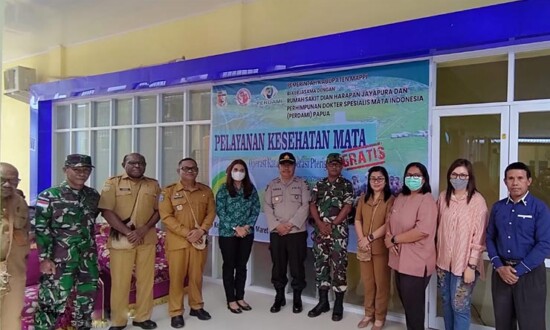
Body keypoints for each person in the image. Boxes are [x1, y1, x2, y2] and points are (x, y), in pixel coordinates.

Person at [34, 154, 100, 330]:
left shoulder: (93, 195)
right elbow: (41, 229)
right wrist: (44, 258)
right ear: (65, 170)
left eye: (86, 170)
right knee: (51, 302)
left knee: (86, 300)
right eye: (77, 169)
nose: (82, 173)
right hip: (59, 259)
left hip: (87, 258)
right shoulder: (48, 196)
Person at [98, 153, 161, 330]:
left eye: (141, 163)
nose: (137, 165)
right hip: (121, 240)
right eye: (132, 162)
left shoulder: (153, 184)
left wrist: (143, 229)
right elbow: (106, 211)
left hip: (146, 239)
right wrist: (127, 232)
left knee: (145, 281)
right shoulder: (113, 183)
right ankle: (119, 321)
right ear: (123, 164)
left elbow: (158, 211)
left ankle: (142, 317)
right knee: (120, 282)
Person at [486, 162, 550, 330]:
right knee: (503, 324)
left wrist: (517, 271)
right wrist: (499, 267)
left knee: (532, 325)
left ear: (529, 181)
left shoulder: (540, 208)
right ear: (505, 181)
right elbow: (490, 237)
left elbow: (544, 244)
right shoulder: (498, 208)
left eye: (520, 178)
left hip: (530, 275)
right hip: (501, 274)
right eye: (511, 178)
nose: (515, 182)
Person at [159, 157, 215, 329]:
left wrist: (202, 230)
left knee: (197, 277)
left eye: (193, 169)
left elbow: (211, 213)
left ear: (197, 171)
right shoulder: (167, 192)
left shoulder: (206, 191)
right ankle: (176, 312)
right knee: (176, 278)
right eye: (186, 168)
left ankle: (196, 306)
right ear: (179, 171)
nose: (190, 171)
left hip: (199, 241)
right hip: (178, 243)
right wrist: (187, 233)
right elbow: (166, 217)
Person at [436, 159, 488, 330]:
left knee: (460, 306)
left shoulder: (477, 201)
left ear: (470, 177)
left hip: (465, 264)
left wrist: (471, 266)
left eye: (463, 175)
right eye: (454, 174)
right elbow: (437, 226)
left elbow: (479, 236)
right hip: (443, 263)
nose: (458, 178)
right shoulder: (443, 197)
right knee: (446, 303)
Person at [384, 162, 437, 330]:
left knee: (414, 308)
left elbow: (422, 230)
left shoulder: (427, 200)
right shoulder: (400, 198)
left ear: (424, 179)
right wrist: (388, 238)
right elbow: (389, 221)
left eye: (417, 176)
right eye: (409, 175)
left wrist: (394, 239)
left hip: (416, 262)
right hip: (399, 261)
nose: (412, 178)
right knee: (407, 303)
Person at [309, 153, 353, 322]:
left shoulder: (346, 185)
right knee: (321, 265)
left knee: (339, 267)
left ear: (341, 166)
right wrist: (320, 224)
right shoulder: (319, 185)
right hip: (320, 233)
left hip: (338, 234)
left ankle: (338, 305)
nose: (334, 167)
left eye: (337, 164)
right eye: (331, 164)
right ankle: (323, 302)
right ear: (326, 166)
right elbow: (312, 205)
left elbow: (348, 207)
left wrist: (333, 225)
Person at [264, 152, 310, 314]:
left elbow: (306, 206)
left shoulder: (302, 184)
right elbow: (268, 208)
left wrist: (290, 225)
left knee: (297, 267)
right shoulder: (272, 185)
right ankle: (279, 297)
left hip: (296, 233)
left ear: (294, 167)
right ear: (278, 167)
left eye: (289, 164)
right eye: (283, 165)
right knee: (278, 266)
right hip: (278, 233)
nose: (286, 167)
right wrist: (278, 226)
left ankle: (297, 298)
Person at [216, 159, 260, 313]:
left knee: (242, 266)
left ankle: (240, 297)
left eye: (242, 169)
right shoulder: (223, 189)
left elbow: (256, 208)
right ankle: (231, 299)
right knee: (229, 266)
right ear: (230, 171)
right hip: (228, 233)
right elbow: (221, 211)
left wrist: (246, 227)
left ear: (245, 172)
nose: (239, 172)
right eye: (236, 169)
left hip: (246, 234)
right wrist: (236, 227)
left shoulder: (251, 189)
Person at [354, 166, 394, 330]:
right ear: (369, 181)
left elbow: (388, 224)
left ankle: (379, 317)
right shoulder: (363, 198)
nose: (376, 182)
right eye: (373, 179)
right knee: (368, 283)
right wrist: (362, 239)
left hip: (380, 249)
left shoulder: (390, 199)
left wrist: (370, 238)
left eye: (380, 178)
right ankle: (368, 314)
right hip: (364, 248)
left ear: (385, 181)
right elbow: (357, 220)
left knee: (381, 284)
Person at [0, 162, 30, 330]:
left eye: (13, 181)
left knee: (12, 317)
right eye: (2, 180)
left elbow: (25, 231)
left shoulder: (19, 201)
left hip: (14, 270)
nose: (7, 185)